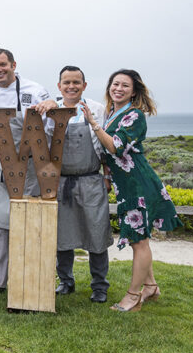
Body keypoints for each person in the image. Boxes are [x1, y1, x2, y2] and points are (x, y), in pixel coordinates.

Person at [81, 69, 182, 312]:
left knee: (139, 241)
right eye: (115, 84)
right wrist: (106, 176)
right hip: (126, 185)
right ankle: (150, 287)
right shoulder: (114, 113)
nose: (118, 88)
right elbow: (107, 156)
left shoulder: (134, 115)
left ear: (134, 91)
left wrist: (93, 124)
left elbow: (115, 147)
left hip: (138, 184)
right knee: (140, 239)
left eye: (125, 85)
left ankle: (133, 296)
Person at [0, 48, 52, 299]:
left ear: (14, 64)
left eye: (3, 65)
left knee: (28, 222)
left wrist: (51, 104)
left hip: (28, 166)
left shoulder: (34, 89)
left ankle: (26, 276)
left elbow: (52, 117)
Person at [35, 66, 113, 303]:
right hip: (61, 181)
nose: (71, 86)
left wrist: (107, 176)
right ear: (59, 86)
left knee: (97, 235)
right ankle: (66, 281)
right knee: (62, 238)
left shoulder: (97, 110)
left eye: (76, 82)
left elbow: (105, 147)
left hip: (90, 180)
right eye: (66, 82)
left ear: (84, 85)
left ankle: (99, 286)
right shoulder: (50, 110)